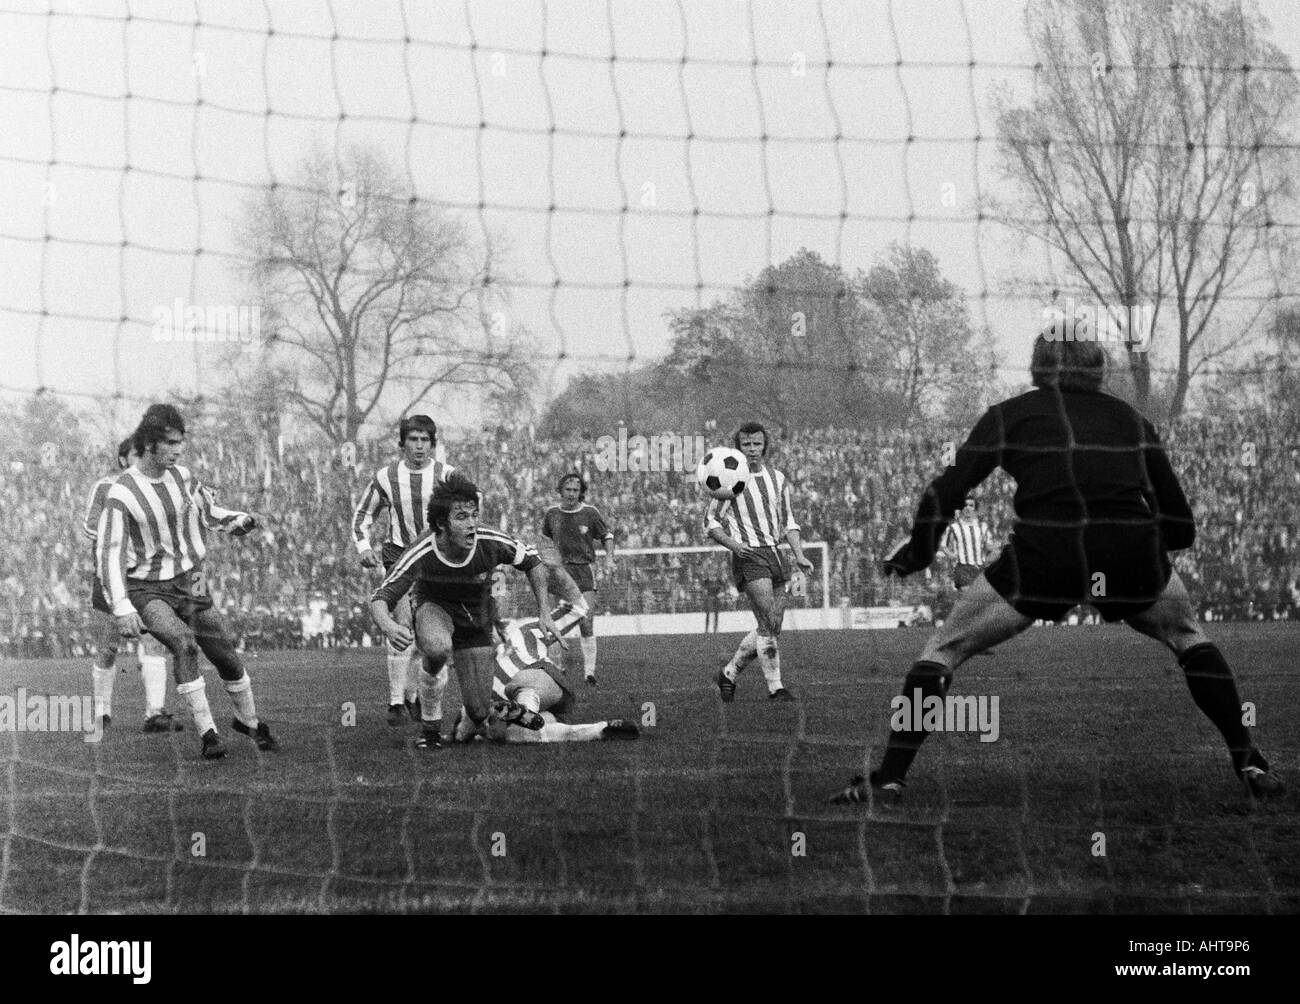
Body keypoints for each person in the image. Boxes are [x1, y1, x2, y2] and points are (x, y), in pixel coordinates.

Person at [831, 335, 1284, 805]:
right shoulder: (1132, 421)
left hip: (1047, 553)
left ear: (1036, 368)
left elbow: (947, 489)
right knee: (1189, 638)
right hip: (1127, 546)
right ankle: (1249, 760)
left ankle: (889, 779)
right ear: (1098, 370)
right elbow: (1182, 526)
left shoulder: (1009, 415)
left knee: (944, 649)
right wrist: (1142, 554)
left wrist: (919, 554)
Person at [97, 404, 277, 760]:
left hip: (191, 578)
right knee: (183, 642)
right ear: (149, 444)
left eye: (181, 442)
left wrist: (241, 520)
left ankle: (248, 721)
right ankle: (208, 733)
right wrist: (121, 608)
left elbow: (210, 512)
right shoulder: (121, 493)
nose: (178, 450)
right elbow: (109, 554)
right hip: (147, 587)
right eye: (171, 443)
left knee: (222, 650)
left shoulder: (184, 477)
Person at [369, 473, 566, 750]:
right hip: (436, 608)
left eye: (474, 515)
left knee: (478, 712)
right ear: (441, 524)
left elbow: (532, 561)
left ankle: (500, 712)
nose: (472, 524)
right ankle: (430, 728)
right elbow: (380, 597)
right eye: (461, 517)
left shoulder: (490, 540)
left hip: (477, 619)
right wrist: (389, 627)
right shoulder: (423, 550)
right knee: (437, 649)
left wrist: (545, 611)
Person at [352, 415, 456, 727]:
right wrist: (363, 547)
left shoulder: (446, 475)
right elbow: (361, 515)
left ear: (433, 444)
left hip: (437, 560)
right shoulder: (386, 477)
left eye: (425, 440)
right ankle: (396, 701)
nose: (419, 446)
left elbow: (467, 512)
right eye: (413, 440)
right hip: (399, 555)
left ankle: (413, 696)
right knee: (401, 620)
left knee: (429, 635)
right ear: (402, 444)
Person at [708, 422, 815, 702]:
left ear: (764, 445)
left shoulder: (777, 478)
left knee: (773, 625)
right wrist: (735, 545)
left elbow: (789, 521)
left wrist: (799, 555)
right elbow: (710, 523)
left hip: (776, 553)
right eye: (747, 444)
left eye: (757, 444)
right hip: (749, 556)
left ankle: (729, 673)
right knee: (767, 619)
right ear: (738, 447)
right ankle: (775, 688)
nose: (752, 449)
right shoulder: (730, 479)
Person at [82, 436, 180, 732]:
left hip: (147, 576)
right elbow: (90, 527)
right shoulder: (105, 486)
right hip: (111, 577)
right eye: (138, 455)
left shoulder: (156, 487)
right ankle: (101, 712)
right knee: (109, 646)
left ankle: (155, 713)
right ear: (124, 459)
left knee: (153, 639)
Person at [452, 605, 639, 744]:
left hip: (544, 683)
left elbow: (575, 609)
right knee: (518, 736)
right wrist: (471, 729)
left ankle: (523, 713)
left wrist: (558, 573)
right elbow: (468, 724)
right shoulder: (477, 670)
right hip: (545, 711)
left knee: (517, 685)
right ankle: (601, 729)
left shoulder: (521, 630)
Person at [541, 473, 615, 685]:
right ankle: (558, 669)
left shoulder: (590, 513)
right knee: (558, 623)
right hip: (560, 572)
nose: (572, 494)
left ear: (580, 492)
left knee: (586, 620)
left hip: (584, 571)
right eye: (568, 490)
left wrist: (609, 558)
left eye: (575, 490)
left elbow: (607, 536)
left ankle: (589, 673)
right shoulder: (552, 514)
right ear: (561, 491)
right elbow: (545, 540)